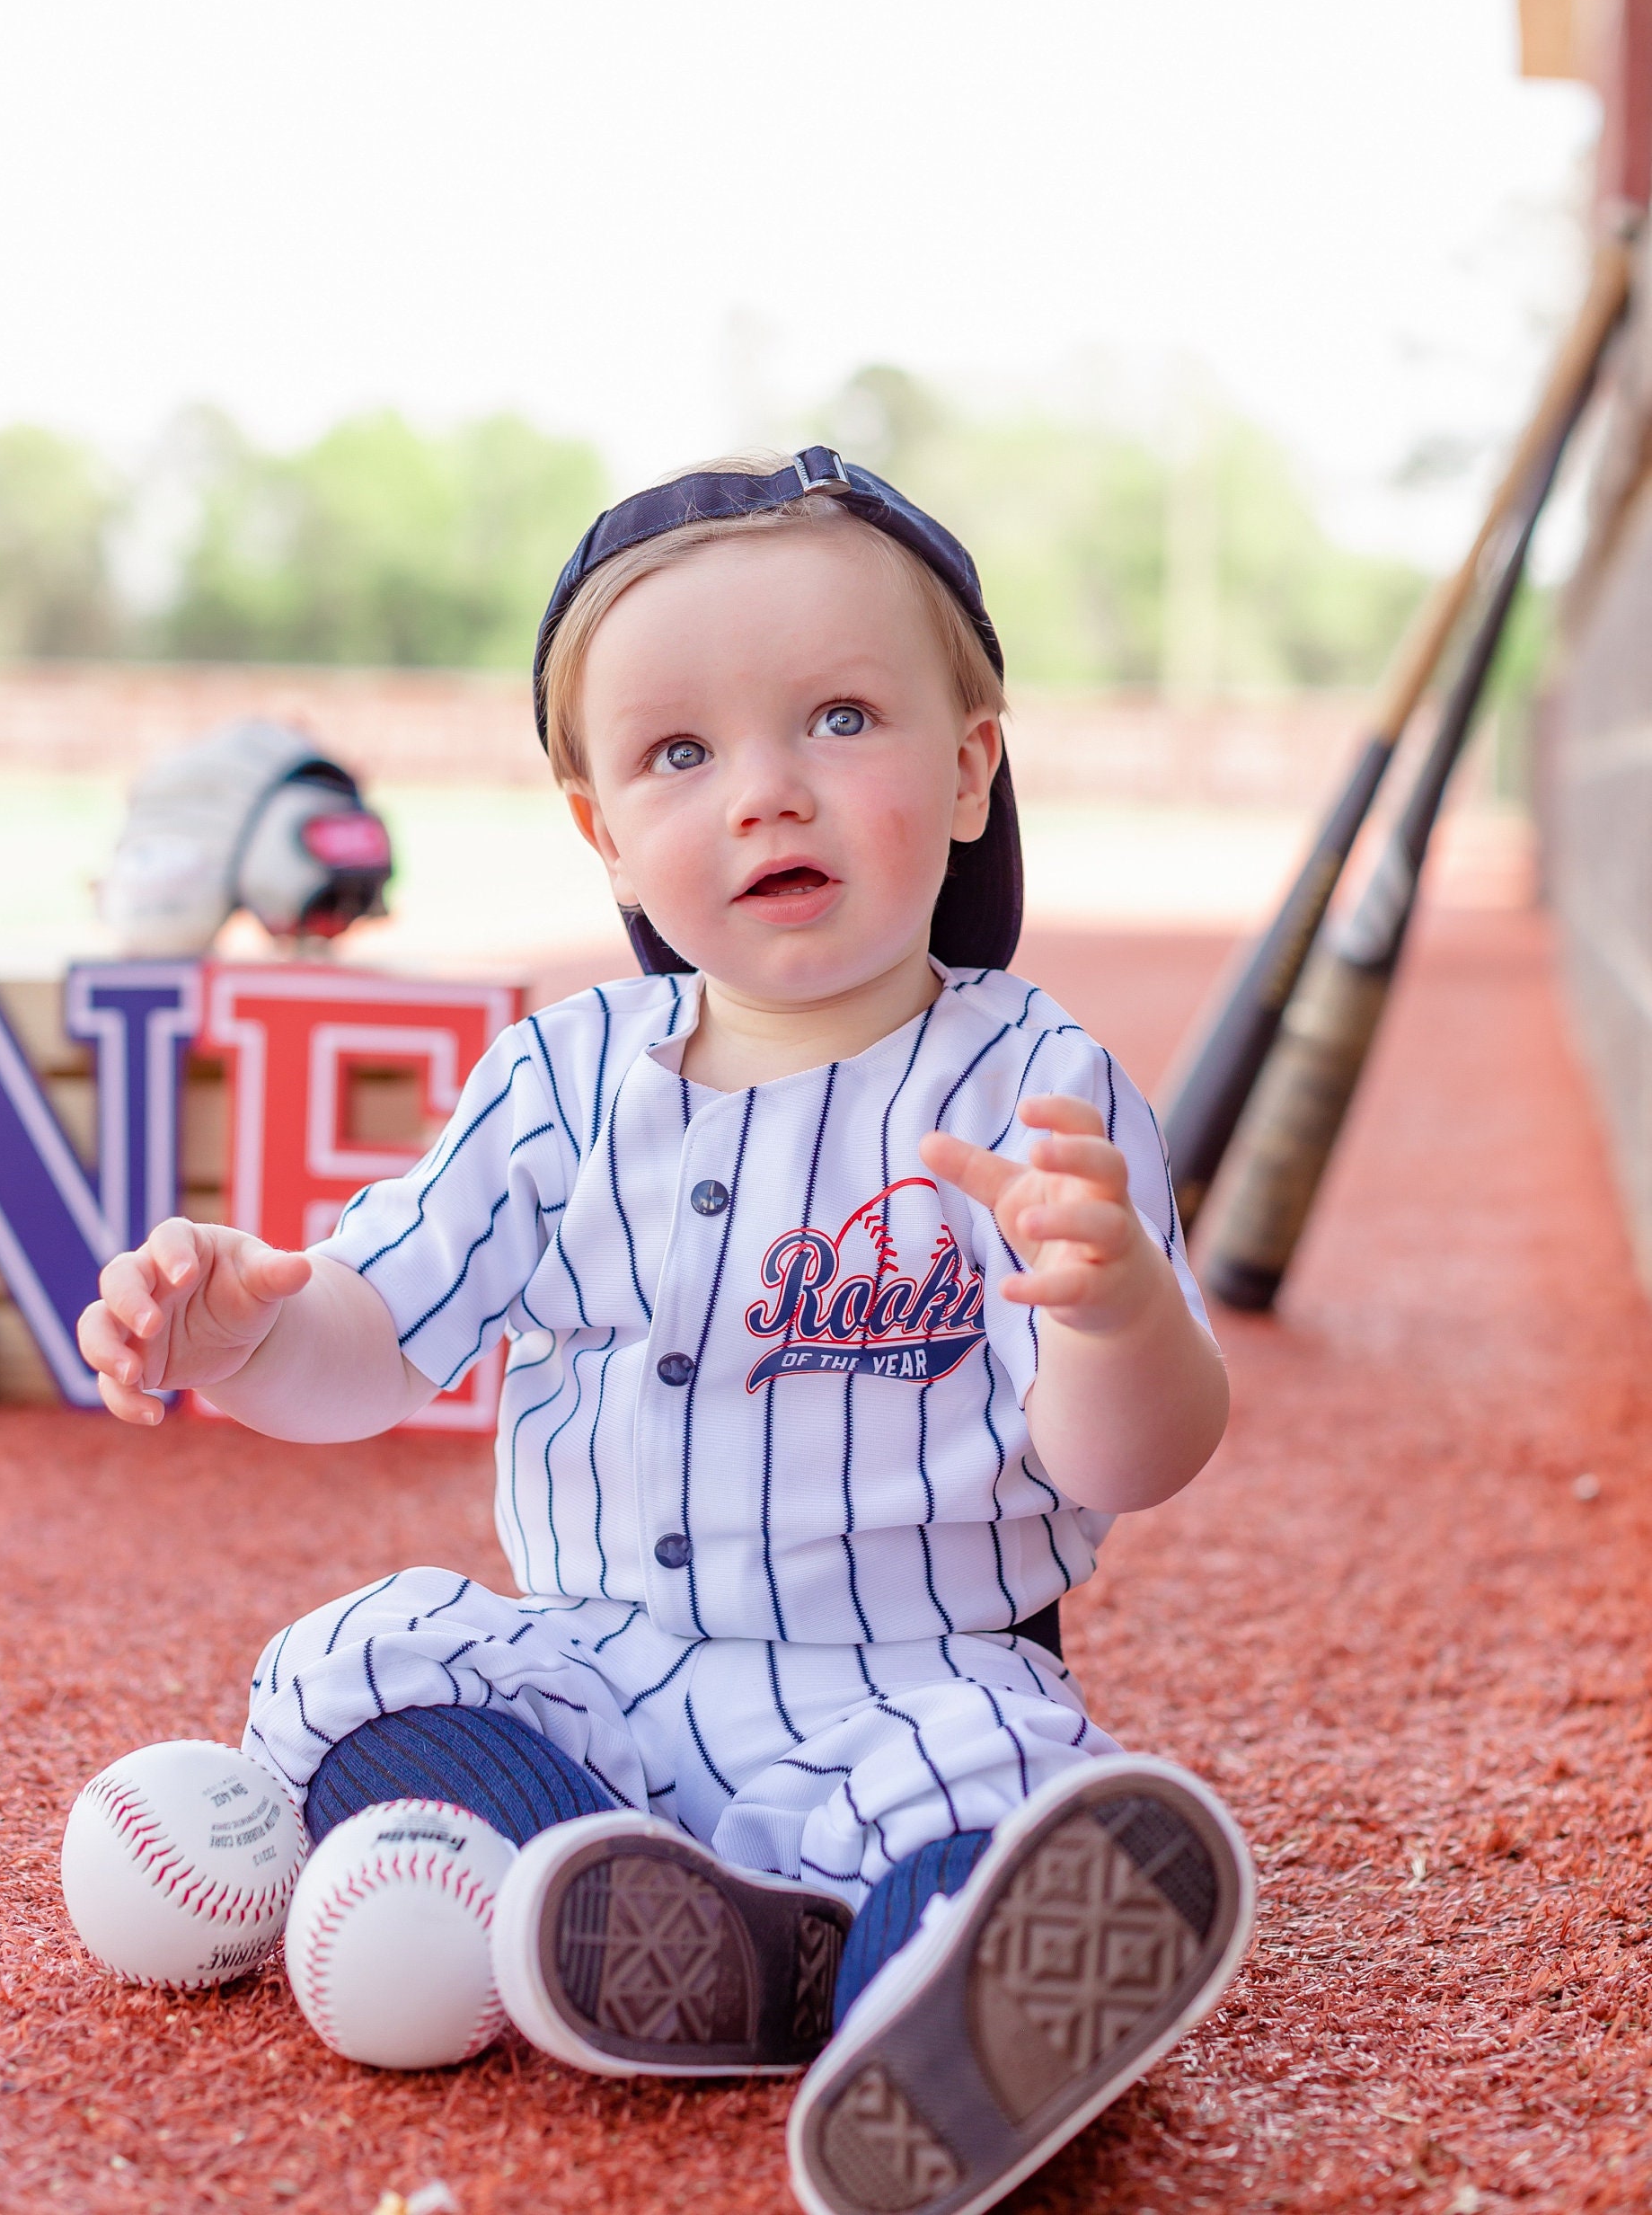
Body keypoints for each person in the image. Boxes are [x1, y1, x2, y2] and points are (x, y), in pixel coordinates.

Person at [80, 447, 1253, 2215]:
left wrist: (1114, 1309)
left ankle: (928, 2005)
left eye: (841, 719)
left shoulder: (1029, 1084)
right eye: (681, 755)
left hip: (910, 1681)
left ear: (967, 766)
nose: (767, 796)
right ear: (601, 826)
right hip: (608, 1676)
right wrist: (247, 1329)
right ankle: (665, 1909)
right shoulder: (561, 1079)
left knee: (1011, 1794)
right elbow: (374, 1339)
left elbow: (1127, 1458)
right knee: (344, 1670)